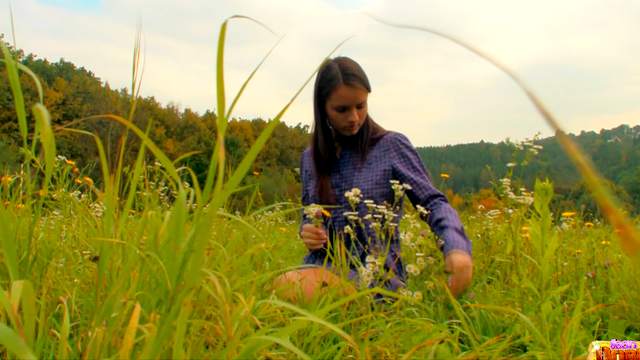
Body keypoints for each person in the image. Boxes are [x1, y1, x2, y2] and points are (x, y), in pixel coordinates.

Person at [274, 56, 472, 302]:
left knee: (291, 288)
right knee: (278, 289)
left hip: (377, 277)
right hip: (320, 268)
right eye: (342, 110)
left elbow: (432, 202)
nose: (354, 118)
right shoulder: (310, 158)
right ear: (323, 107)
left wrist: (456, 247)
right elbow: (310, 214)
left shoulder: (391, 146)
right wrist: (308, 233)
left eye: (361, 105)